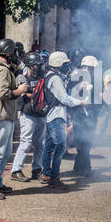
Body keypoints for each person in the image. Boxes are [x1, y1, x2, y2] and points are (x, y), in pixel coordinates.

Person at [0, 39, 28, 200]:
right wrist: (18, 90)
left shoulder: (3, 68)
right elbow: (3, 93)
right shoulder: (1, 70)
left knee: (5, 151)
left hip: (5, 115)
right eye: (14, 52)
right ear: (8, 53)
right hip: (0, 115)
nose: (16, 55)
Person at [40, 51, 87, 189]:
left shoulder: (51, 76)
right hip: (56, 116)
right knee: (60, 146)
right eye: (65, 63)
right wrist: (80, 102)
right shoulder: (55, 78)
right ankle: (54, 177)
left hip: (51, 116)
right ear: (58, 64)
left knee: (49, 146)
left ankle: (46, 173)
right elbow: (64, 98)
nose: (67, 65)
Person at [10, 52, 46, 182]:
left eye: (40, 65)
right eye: (36, 65)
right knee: (25, 142)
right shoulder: (22, 78)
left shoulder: (44, 77)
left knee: (40, 144)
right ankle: (16, 170)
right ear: (31, 66)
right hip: (28, 114)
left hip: (41, 114)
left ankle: (37, 170)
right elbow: (26, 93)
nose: (39, 67)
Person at [69, 55, 101, 176]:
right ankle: (83, 167)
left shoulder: (95, 80)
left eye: (89, 68)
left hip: (90, 115)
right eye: (87, 68)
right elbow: (69, 95)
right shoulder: (75, 78)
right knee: (81, 141)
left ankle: (82, 167)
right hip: (79, 114)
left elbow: (99, 98)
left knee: (86, 141)